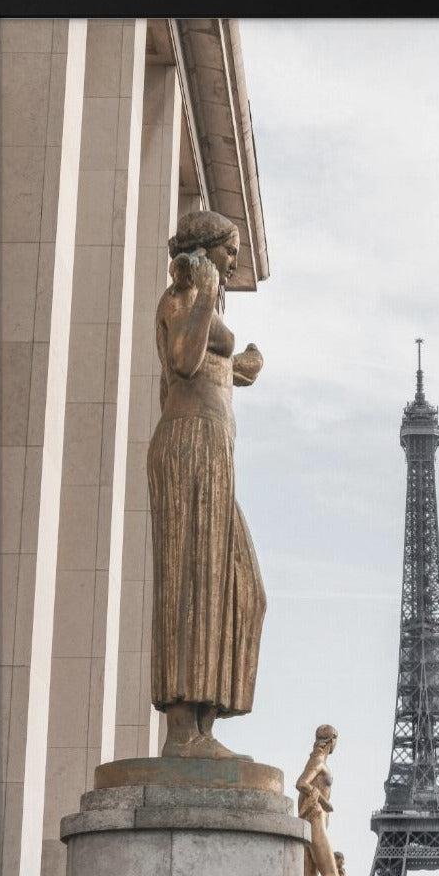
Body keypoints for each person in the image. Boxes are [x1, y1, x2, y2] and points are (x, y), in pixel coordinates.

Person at [147, 210, 266, 758]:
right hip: (189, 443)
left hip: (214, 449)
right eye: (229, 251)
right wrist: (203, 294)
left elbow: (212, 367)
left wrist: (242, 365)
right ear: (205, 249)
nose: (234, 262)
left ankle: (204, 726)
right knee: (192, 581)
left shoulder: (203, 305)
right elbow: (184, 360)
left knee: (240, 590)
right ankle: (183, 733)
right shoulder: (182, 297)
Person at [296, 725, 342, 876]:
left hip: (313, 817)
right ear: (332, 740)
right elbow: (301, 783)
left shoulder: (316, 760)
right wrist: (325, 803)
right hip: (316, 817)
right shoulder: (319, 761)